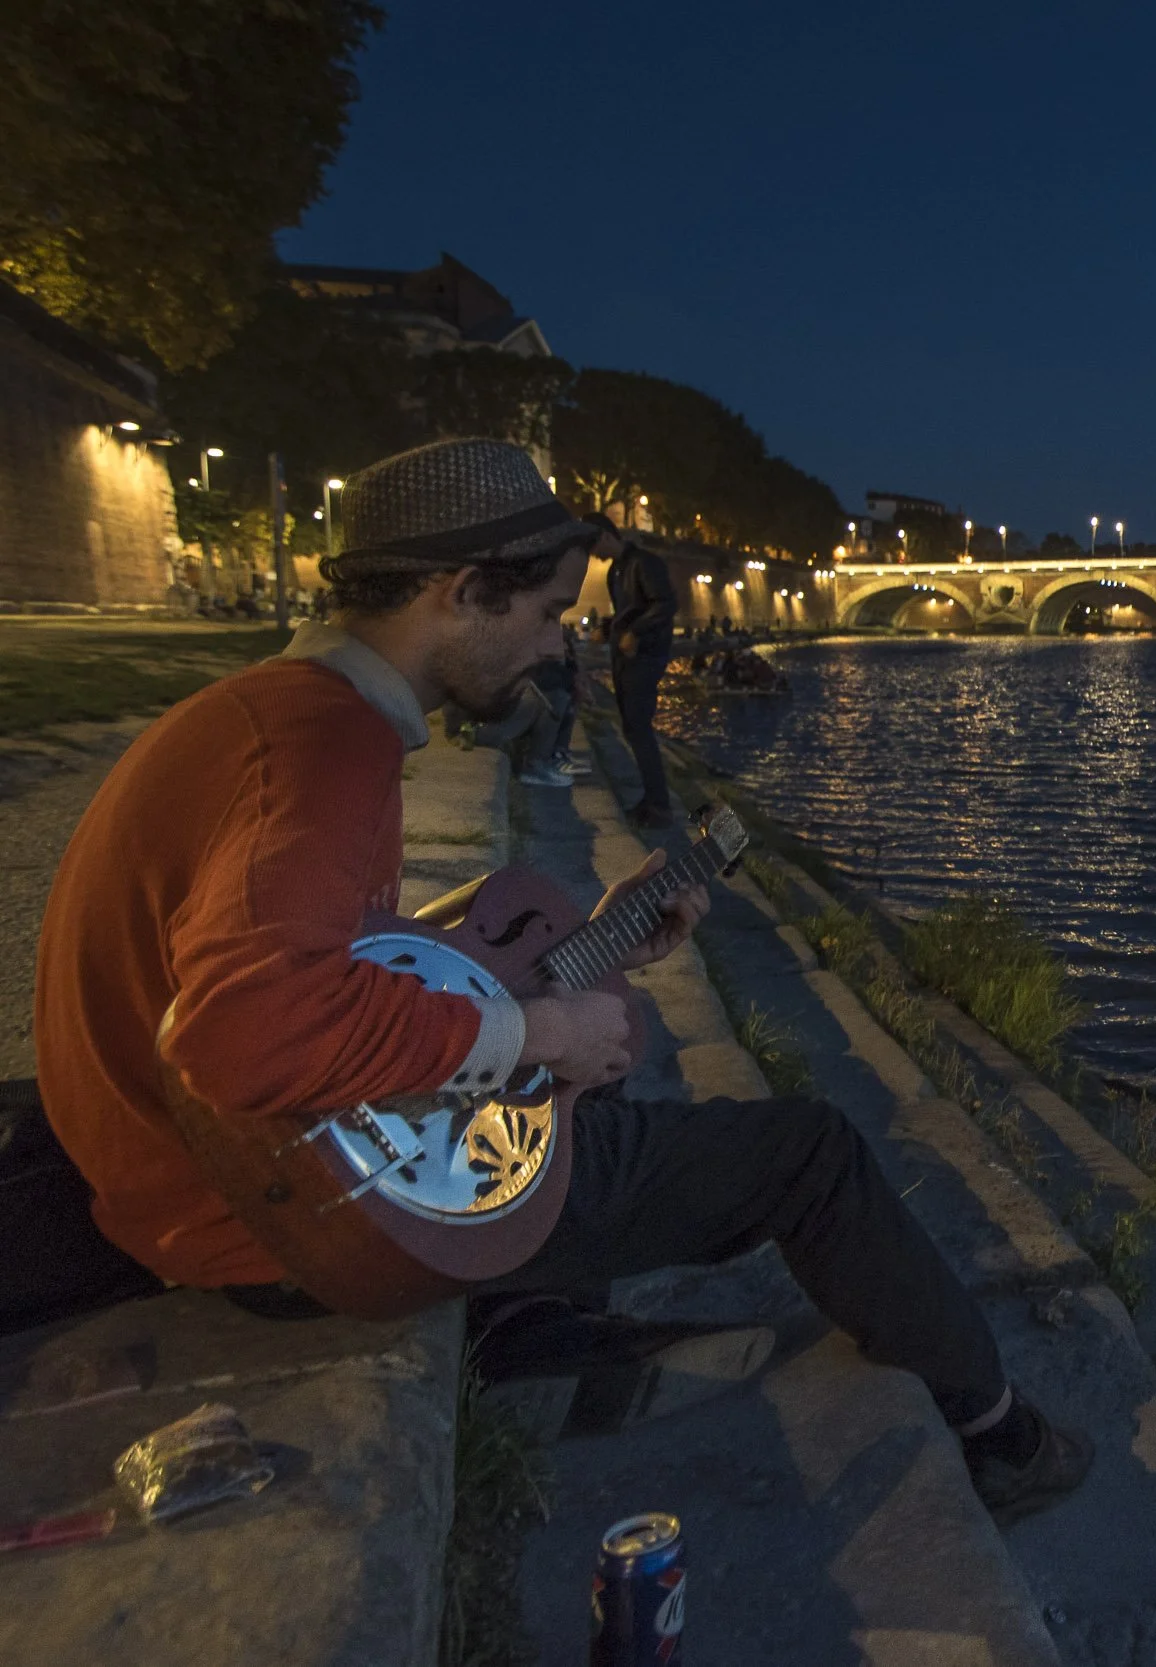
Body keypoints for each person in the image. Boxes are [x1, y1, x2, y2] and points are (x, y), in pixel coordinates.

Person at [31, 437, 1089, 1519]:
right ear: (463, 591)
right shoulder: (320, 752)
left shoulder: (268, 714)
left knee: (590, 1066)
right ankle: (998, 1428)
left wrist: (591, 954)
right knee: (809, 1152)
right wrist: (532, 1034)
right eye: (545, 613)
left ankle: (533, 1326)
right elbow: (244, 1030)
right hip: (280, 1218)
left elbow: (346, 968)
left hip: (205, 1171)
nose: (558, 646)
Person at [606, 534, 677, 829]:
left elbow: (665, 604)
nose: (594, 555)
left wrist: (635, 632)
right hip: (627, 656)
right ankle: (652, 800)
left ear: (604, 536)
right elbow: (627, 613)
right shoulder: (617, 570)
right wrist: (606, 628)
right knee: (633, 728)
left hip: (645, 655)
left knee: (638, 727)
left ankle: (659, 806)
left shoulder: (645, 563)